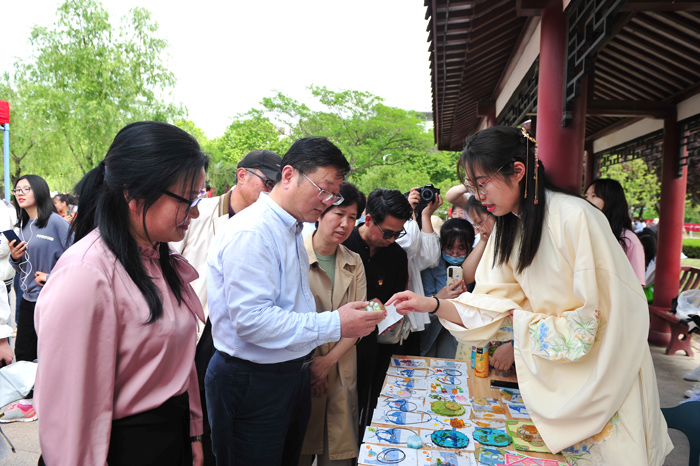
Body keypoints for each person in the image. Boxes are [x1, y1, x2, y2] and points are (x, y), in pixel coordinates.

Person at [388, 126, 672, 465]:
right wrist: (432, 304)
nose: (478, 196)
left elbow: (597, 321)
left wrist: (519, 324)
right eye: (471, 186)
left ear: (518, 171)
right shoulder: (509, 227)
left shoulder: (576, 218)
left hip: (606, 370)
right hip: (561, 372)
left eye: (482, 183)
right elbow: (489, 303)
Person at [34, 121, 209, 465]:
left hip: (168, 439)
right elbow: (69, 412)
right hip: (121, 449)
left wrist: (194, 431)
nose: (196, 211)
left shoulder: (160, 257)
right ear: (135, 194)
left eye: (199, 197)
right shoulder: (86, 275)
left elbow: (179, 359)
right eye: (188, 199)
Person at [206, 137, 384, 466]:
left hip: (289, 374)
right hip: (253, 380)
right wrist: (336, 322)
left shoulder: (291, 229)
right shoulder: (253, 231)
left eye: (334, 195)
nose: (327, 201)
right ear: (288, 175)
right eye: (324, 190)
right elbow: (253, 322)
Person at [173, 148, 282, 466]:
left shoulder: (273, 225)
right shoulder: (199, 212)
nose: (271, 192)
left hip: (242, 338)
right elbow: (168, 263)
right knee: (192, 416)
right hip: (198, 329)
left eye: (277, 185)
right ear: (242, 175)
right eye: (267, 183)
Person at [299, 181, 367, 466]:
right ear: (320, 213)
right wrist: (313, 366)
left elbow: (360, 324)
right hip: (300, 369)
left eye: (352, 217)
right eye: (339, 214)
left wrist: (326, 363)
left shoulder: (355, 262)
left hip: (340, 367)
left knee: (337, 456)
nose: (345, 224)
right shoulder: (295, 254)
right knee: (297, 450)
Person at [342, 188, 413, 435]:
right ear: (369, 219)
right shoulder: (343, 243)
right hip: (335, 342)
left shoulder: (397, 256)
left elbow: (394, 302)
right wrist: (370, 306)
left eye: (398, 233)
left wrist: (382, 309)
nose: (392, 239)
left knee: (364, 406)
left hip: (373, 344)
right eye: (388, 233)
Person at [3, 175, 71, 422]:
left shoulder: (56, 223)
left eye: (26, 189)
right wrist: (15, 257)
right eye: (17, 190)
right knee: (24, 351)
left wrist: (51, 277)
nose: (20, 193)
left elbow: (77, 259)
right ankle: (29, 402)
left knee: (52, 351)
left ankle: (54, 401)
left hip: (53, 299)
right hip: (28, 298)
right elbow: (22, 267)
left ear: (39, 191)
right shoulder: (22, 227)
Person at [419, 218, 475, 358]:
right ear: (442, 244)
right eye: (450, 248)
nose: (455, 254)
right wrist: (437, 299)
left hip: (459, 333)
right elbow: (421, 308)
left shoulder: (476, 265)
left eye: (461, 249)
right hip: (430, 330)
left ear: (470, 246)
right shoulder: (432, 264)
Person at [584, 178, 645, 286]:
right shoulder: (584, 233)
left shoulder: (628, 239)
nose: (587, 200)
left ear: (611, 201)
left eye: (594, 195)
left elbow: (636, 285)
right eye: (585, 196)